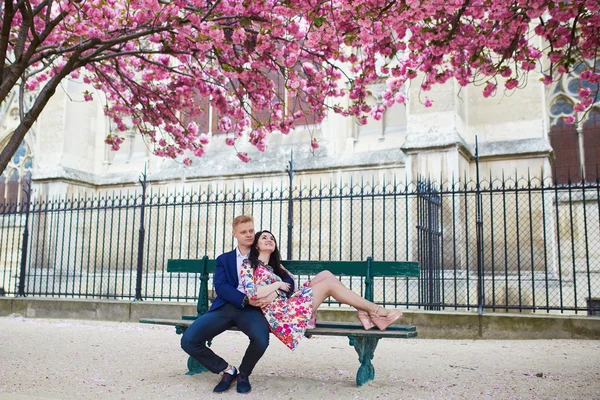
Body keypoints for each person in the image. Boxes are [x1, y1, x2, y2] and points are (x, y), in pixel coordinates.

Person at [180, 216, 295, 394]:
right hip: (227, 306)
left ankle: (244, 374)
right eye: (243, 232)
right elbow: (221, 286)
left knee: (261, 340)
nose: (248, 235)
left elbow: (287, 280)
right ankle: (227, 371)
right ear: (235, 234)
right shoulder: (224, 259)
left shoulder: (263, 255)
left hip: (254, 310)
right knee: (188, 340)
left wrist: (277, 292)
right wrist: (245, 299)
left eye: (251, 231)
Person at [240, 230, 403, 350]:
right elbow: (252, 293)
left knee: (326, 274)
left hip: (289, 304)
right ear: (256, 244)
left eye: (272, 238)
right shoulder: (249, 265)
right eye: (264, 237)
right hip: (281, 316)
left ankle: (363, 311)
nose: (269, 240)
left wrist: (280, 289)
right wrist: (277, 286)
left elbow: (291, 288)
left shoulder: (278, 268)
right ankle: (375, 311)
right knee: (329, 285)